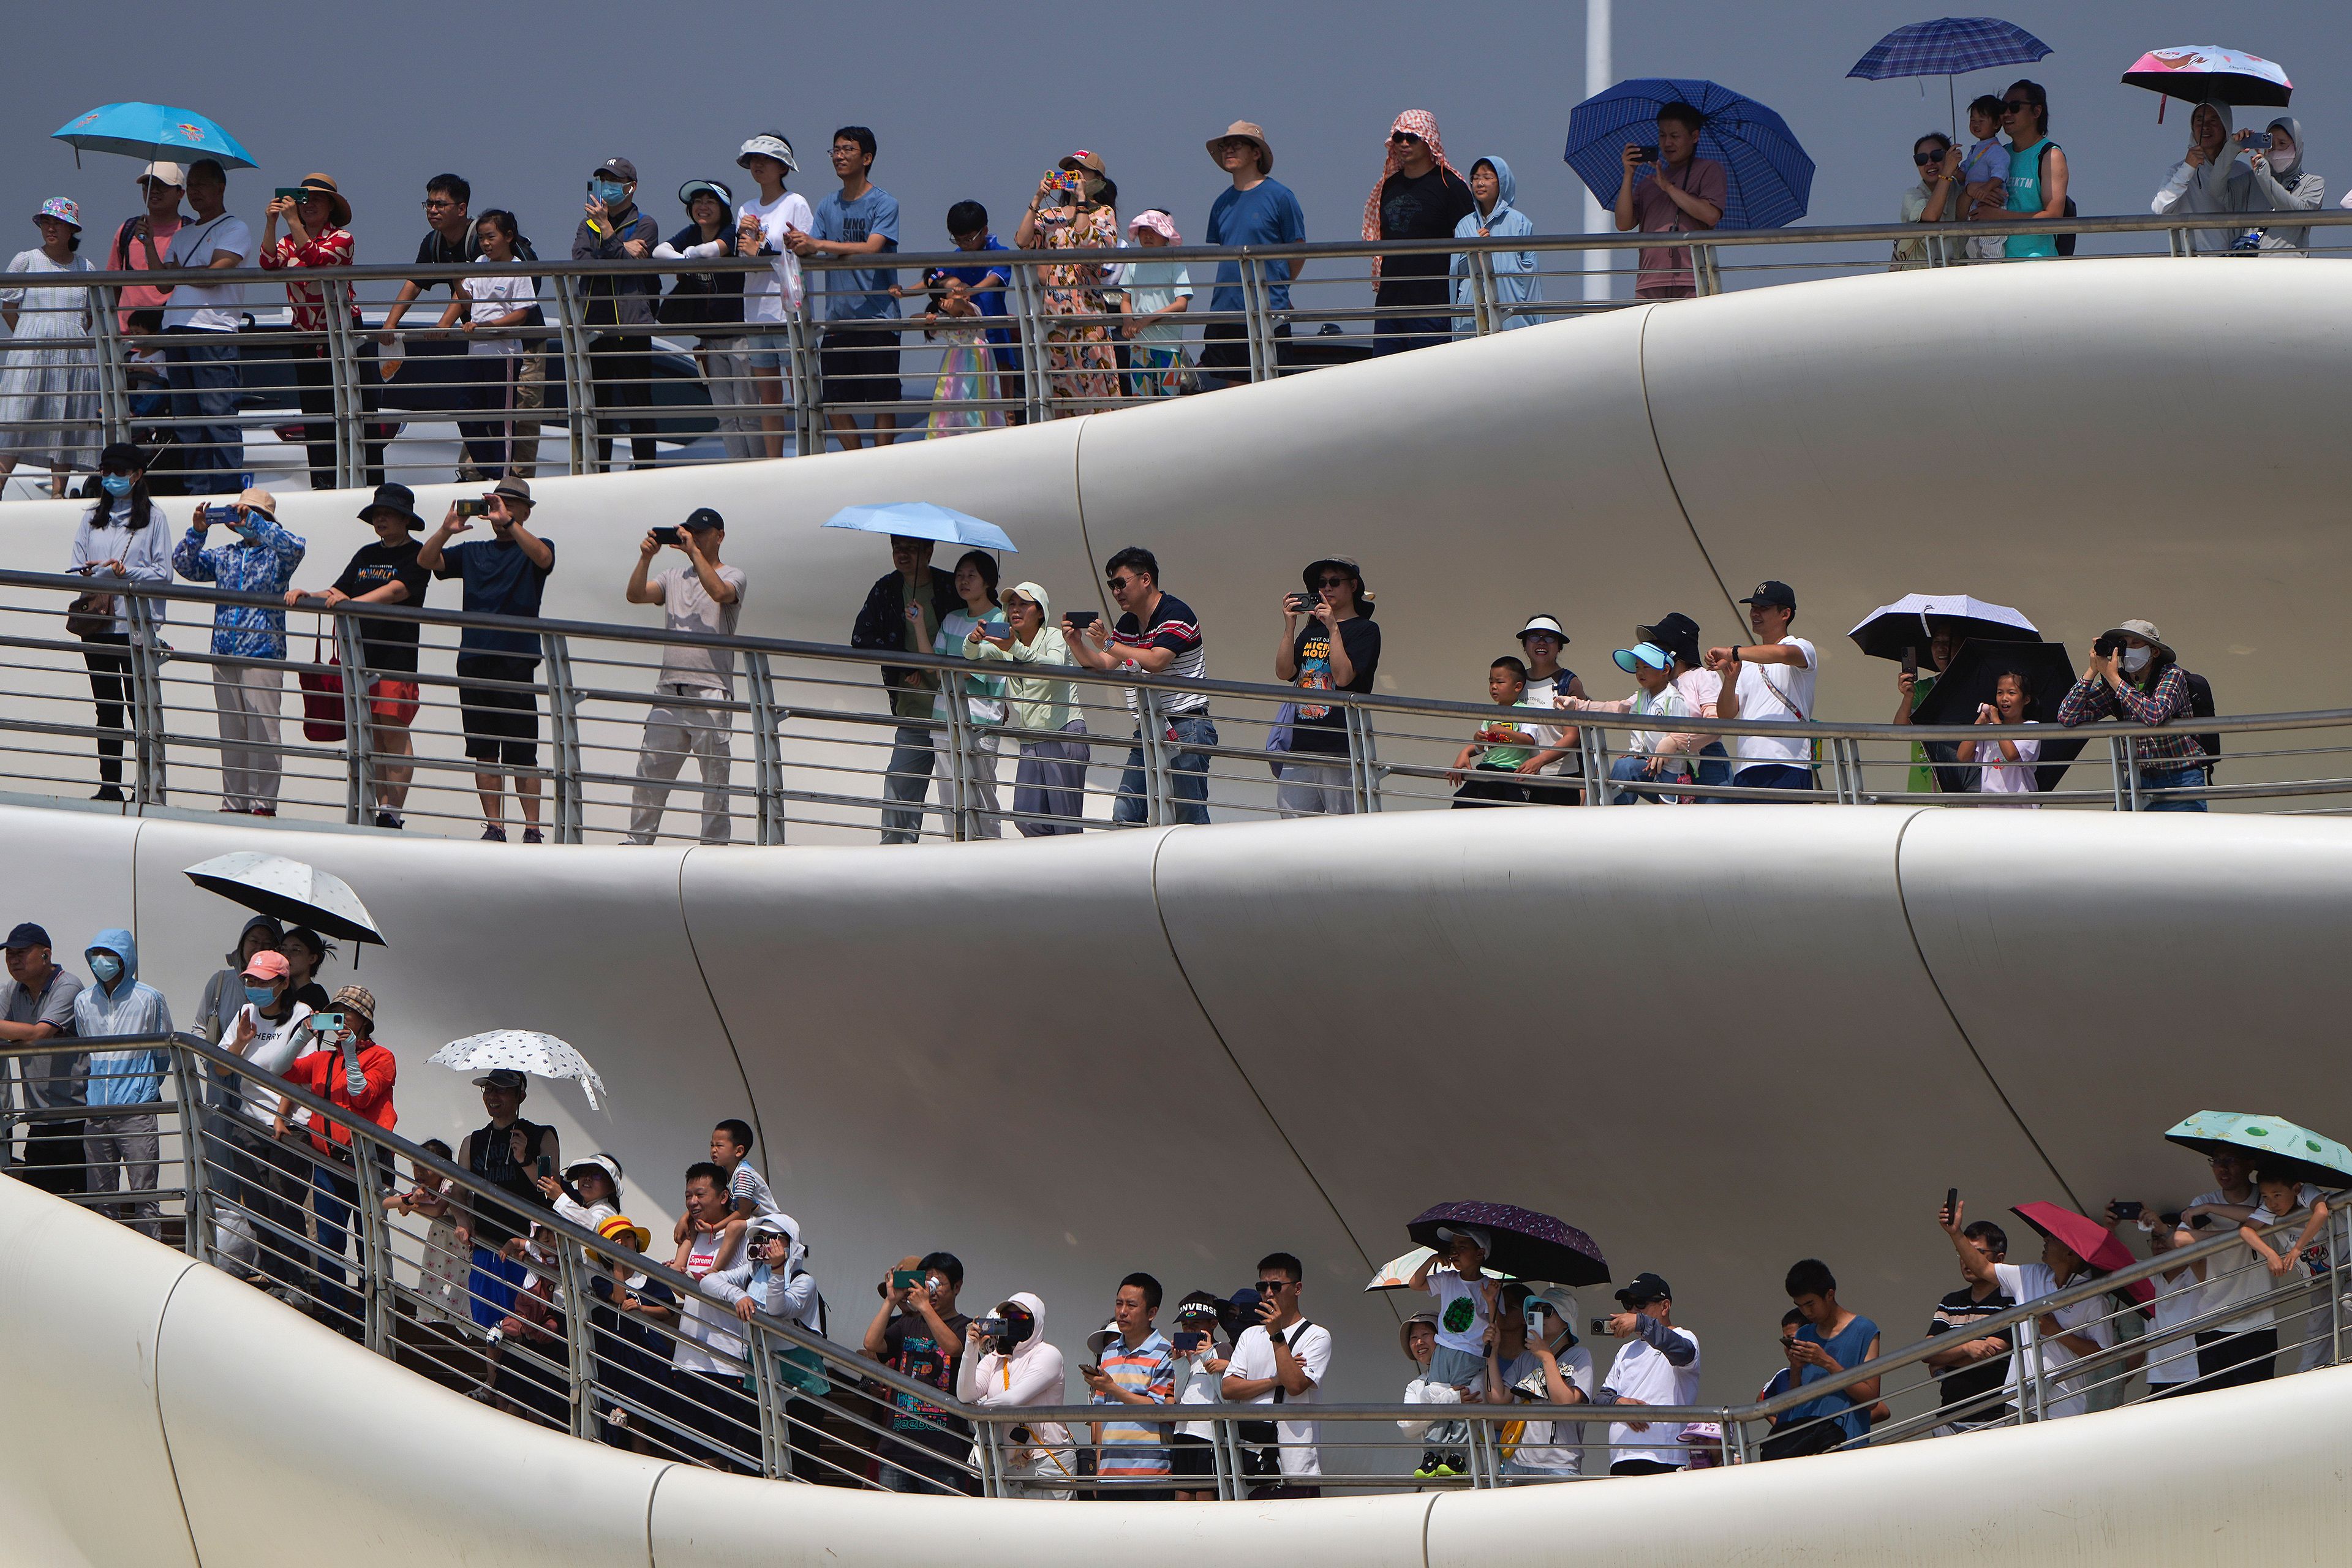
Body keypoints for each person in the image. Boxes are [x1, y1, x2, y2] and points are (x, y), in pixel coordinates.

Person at [420, 481, 557, 841]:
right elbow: (426, 561)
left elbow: (545, 559)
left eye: (512, 505)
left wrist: (510, 523)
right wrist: (445, 530)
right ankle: (495, 825)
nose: (502, 510)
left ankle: (532, 829)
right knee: (483, 751)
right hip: (475, 658)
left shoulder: (535, 548)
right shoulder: (474, 550)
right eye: (498, 504)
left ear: (526, 512)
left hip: (515, 660)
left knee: (523, 751)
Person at [298, 482, 430, 829]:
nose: (380, 520)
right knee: (371, 736)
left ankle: (392, 812)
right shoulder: (366, 554)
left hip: (396, 660)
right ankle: (379, 810)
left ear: (405, 519)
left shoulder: (417, 555)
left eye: (387, 514)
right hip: (361, 660)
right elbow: (339, 590)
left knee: (393, 735)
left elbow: (396, 592)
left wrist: (351, 603)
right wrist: (307, 594)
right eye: (377, 515)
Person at [172, 489, 305, 815]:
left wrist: (256, 523)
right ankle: (234, 803)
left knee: (263, 733)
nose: (241, 519)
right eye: (239, 513)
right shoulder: (226, 554)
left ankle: (263, 804)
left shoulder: (277, 555)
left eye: (248, 513)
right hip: (223, 653)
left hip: (263, 653)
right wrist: (198, 531)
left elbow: (296, 547)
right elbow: (184, 565)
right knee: (231, 734)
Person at [1064, 546, 1215, 826]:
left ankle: (1199, 870)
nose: (1116, 591)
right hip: (1148, 730)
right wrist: (1076, 643)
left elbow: (1156, 660)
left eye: (1121, 583)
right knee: (1125, 813)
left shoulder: (1177, 613)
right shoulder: (1129, 623)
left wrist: (1110, 644)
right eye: (1112, 585)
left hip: (1186, 726)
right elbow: (1102, 663)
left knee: (1187, 816)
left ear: (1145, 579)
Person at [275, 984, 395, 1330]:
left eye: (347, 1011)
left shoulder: (383, 1057)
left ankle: (371, 1316)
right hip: (328, 1162)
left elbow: (362, 1097)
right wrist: (301, 1036)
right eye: (335, 1010)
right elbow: (281, 1070)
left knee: (369, 1244)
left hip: (369, 1164)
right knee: (329, 1241)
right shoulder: (322, 1059)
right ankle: (335, 1314)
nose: (340, 1015)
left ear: (364, 1021)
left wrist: (351, 1052)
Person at [622, 508, 745, 846]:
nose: (695, 538)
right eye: (690, 532)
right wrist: (645, 559)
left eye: (702, 533)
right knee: (649, 774)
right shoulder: (673, 575)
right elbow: (635, 594)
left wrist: (694, 552)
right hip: (668, 691)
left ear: (719, 536)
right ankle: (638, 842)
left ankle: (714, 847)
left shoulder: (734, 574)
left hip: (711, 689)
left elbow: (721, 593)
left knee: (715, 781)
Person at [1937, 1199, 2110, 1420]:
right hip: (2018, 1399)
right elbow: (1983, 1267)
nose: (2046, 1239)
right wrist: (1955, 1233)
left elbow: (2102, 1354)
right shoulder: (2031, 1275)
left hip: (2064, 1403)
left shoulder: (2093, 1298)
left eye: (2054, 1237)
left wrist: (2055, 1331)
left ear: (2071, 1252)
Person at [259, 172, 380, 489]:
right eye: (304, 199)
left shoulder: (343, 238)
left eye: (318, 199)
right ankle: (323, 483)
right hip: (306, 338)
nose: (310, 204)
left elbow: (316, 259)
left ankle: (369, 484)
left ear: (331, 207)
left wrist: (293, 224)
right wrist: (272, 223)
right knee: (316, 415)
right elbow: (268, 262)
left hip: (344, 336)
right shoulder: (287, 241)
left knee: (359, 411)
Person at [69, 443, 173, 802]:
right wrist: (94, 571)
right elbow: (74, 566)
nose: (111, 478)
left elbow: (163, 573)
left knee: (140, 707)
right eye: (106, 471)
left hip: (135, 626)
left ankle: (148, 787)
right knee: (107, 708)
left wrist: (128, 572)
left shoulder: (154, 518)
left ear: (137, 475)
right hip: (97, 625)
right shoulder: (90, 517)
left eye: (119, 472)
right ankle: (109, 786)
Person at [788, 127, 903, 451]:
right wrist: (799, 244)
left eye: (847, 149)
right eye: (835, 150)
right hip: (838, 320)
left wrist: (819, 244)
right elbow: (811, 247)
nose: (839, 155)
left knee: (884, 402)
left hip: (878, 318)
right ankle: (857, 463)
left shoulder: (885, 203)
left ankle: (882, 466)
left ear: (867, 158)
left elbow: (873, 247)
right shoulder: (827, 204)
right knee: (835, 403)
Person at [142, 159, 248, 492]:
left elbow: (217, 274)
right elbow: (162, 285)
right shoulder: (184, 233)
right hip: (176, 328)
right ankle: (198, 490)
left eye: (202, 184)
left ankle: (229, 489)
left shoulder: (235, 228)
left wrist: (182, 273)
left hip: (213, 329)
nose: (195, 192)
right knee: (189, 418)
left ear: (221, 187)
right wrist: (148, 244)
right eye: (191, 186)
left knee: (217, 413)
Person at [848, 535, 959, 843]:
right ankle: (895, 857)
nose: (902, 554)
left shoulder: (951, 588)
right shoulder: (887, 589)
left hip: (954, 712)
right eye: (897, 548)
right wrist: (903, 665)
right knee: (898, 787)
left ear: (929, 551)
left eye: (911, 548)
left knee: (959, 794)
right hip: (914, 712)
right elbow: (861, 638)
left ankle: (970, 855)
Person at [709, 1209, 829, 1480]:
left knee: (800, 1460)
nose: (766, 1246)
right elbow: (709, 1280)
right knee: (748, 1455)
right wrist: (737, 1295)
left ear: (791, 1244)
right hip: (761, 1376)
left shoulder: (804, 1281)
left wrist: (777, 1271)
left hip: (801, 1383)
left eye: (774, 1239)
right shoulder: (752, 1272)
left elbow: (778, 1310)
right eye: (761, 1239)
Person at [967, 581, 1087, 835]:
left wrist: (1014, 648)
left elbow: (1053, 665)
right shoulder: (1009, 644)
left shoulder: (1054, 636)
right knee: (1025, 818)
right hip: (1030, 739)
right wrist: (973, 639)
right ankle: (1051, 869)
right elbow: (971, 656)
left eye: (1024, 604)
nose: (1016, 610)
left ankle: (1069, 873)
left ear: (1041, 611)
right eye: (1012, 604)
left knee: (1065, 823)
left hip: (1062, 733)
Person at [72, 928, 170, 1240]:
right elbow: (86, 1049)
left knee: (144, 1191)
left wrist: (144, 1087)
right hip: (97, 1109)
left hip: (136, 1108)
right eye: (96, 954)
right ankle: (106, 1257)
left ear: (126, 959)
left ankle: (151, 1255)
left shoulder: (149, 998)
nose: (102, 961)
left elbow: (163, 1051)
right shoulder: (84, 1001)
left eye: (111, 955)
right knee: (100, 1194)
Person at [0, 198, 99, 496]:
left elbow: (89, 314)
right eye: (46, 222)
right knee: (17, 416)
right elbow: (8, 304)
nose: (51, 228)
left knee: (65, 418)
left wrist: (68, 334)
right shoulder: (27, 259)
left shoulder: (86, 267)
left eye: (57, 222)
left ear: (72, 229)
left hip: (72, 352)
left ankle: (58, 492)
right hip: (32, 350)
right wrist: (29, 337)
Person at [2056, 619, 2206, 812]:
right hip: (2138, 779)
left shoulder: (2170, 674)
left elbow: (2155, 714)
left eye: (2136, 643)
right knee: (2122, 841)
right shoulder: (2117, 682)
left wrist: (2113, 678)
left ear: (2154, 651)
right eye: (2125, 644)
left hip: (2180, 778)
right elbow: (2067, 716)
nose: (2129, 649)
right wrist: (2093, 670)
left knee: (2181, 841)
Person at [654, 177, 753, 462]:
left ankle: (757, 469)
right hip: (709, 340)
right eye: (697, 201)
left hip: (740, 337)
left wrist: (686, 258)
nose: (703, 207)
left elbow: (712, 251)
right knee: (725, 418)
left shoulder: (733, 232)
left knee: (748, 415)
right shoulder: (690, 233)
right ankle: (738, 468)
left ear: (724, 207)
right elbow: (659, 252)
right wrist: (686, 258)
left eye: (710, 201)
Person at [571, 156, 662, 472]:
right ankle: (600, 471)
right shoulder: (588, 224)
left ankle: (645, 470)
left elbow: (627, 266)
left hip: (632, 327)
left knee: (639, 402)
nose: (605, 188)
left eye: (612, 182)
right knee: (600, 406)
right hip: (596, 327)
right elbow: (582, 261)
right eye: (602, 181)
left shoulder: (646, 224)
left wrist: (609, 236)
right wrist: (620, 247)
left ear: (630, 188)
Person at [377, 173, 480, 447]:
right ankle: (478, 472)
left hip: (510, 333)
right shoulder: (434, 242)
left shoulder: (481, 239)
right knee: (473, 407)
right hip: (476, 336)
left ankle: (507, 479)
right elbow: (415, 282)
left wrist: (444, 325)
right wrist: (390, 324)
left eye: (440, 204)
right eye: (429, 204)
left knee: (504, 409)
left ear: (462, 208)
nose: (433, 210)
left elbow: (469, 289)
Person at [452, 1069, 558, 1333]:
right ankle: (491, 1376)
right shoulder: (473, 1141)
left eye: (501, 1090)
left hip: (527, 1250)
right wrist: (463, 1219)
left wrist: (524, 1159)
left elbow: (551, 1188)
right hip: (487, 1247)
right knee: (486, 1326)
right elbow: (458, 1191)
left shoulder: (541, 1136)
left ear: (520, 1095)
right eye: (488, 1090)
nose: (492, 1096)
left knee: (524, 1326)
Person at [1273, 555, 1380, 816]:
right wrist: (1290, 626)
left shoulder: (1366, 630)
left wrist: (1333, 628)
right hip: (1300, 745)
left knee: (1344, 830)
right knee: (1291, 826)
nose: (1327, 589)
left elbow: (1344, 678)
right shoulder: (1310, 631)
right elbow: (1284, 671)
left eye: (1334, 582)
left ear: (1353, 586)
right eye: (1321, 584)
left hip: (1341, 748)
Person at [1200, 123, 1306, 387]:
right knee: (1234, 396)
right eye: (1225, 146)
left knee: (1272, 393)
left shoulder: (1281, 197)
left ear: (1256, 153)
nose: (1228, 150)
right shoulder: (1221, 203)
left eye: (1237, 145)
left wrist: (1277, 288)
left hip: (1267, 311)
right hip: (1225, 311)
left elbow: (1298, 251)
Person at [1016, 151, 1121, 415]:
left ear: (1097, 179)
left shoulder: (1104, 213)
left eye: (1081, 172)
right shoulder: (1049, 214)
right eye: (1070, 171)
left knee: (1097, 389)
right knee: (1061, 392)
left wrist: (1083, 201)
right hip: (1055, 317)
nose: (1074, 177)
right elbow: (1022, 241)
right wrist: (1037, 199)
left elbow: (1088, 245)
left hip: (1089, 316)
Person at [864, 1252, 977, 1495]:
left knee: (940, 1528)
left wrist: (925, 1308)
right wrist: (890, 1301)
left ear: (957, 1287)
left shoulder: (964, 1326)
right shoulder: (907, 1323)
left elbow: (954, 1348)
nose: (932, 1292)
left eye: (939, 1285)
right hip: (897, 1446)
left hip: (944, 1451)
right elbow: (872, 1344)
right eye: (928, 1284)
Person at [437, 210, 537, 480]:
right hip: (477, 352)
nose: (486, 244)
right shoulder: (479, 264)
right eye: (482, 238)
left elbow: (521, 314)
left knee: (499, 418)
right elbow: (467, 302)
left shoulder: (517, 269)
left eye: (491, 237)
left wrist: (487, 327)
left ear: (508, 237)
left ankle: (500, 474)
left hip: (503, 354)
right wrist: (456, 278)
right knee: (467, 411)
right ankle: (488, 468)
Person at [1223, 1252, 1332, 1499]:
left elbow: (1295, 1385)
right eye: (1262, 1287)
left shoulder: (1317, 1335)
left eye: (1276, 1286)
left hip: (1297, 1464)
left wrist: (1277, 1336)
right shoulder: (1250, 1335)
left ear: (1297, 1288)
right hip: (1252, 1461)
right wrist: (1274, 1381)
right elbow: (1229, 1387)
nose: (1268, 1293)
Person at [733, 134, 815, 459]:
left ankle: (807, 454)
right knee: (768, 394)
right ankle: (774, 460)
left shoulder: (795, 203)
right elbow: (744, 257)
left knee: (799, 388)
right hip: (756, 310)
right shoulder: (746, 209)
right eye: (753, 159)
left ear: (783, 166)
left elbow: (802, 250)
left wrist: (761, 247)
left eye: (765, 159)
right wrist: (749, 243)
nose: (758, 165)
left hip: (788, 310)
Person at [670, 1161, 757, 1469]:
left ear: (723, 1197)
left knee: (734, 1454)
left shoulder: (743, 1234)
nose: (693, 1202)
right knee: (697, 1454)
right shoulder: (693, 1233)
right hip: (688, 1356)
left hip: (727, 1360)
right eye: (688, 1196)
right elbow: (680, 1292)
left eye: (700, 1195)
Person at [2173, 1150, 2283, 1389]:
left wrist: (2213, 1212)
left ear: (2250, 1164)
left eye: (2231, 1160)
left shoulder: (2264, 1196)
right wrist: (2243, 1235)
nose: (2222, 1169)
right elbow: (2181, 1239)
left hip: (2257, 1322)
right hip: (2211, 1320)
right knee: (2216, 1406)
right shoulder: (2201, 1201)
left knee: (2254, 1402)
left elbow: (2267, 1214)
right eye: (2217, 1162)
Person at [1365, 112, 1472, 355]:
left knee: (1431, 383)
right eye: (1399, 137)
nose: (1404, 144)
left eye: (1412, 138)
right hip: (1390, 306)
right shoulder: (1389, 186)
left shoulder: (1450, 186)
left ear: (1428, 140)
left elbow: (1469, 242)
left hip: (1433, 306)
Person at [1703, 580, 1817, 796]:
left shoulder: (1802, 646)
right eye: (1753, 608)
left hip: (1789, 764)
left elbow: (1784, 655)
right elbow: (1726, 715)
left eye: (1763, 608)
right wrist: (1729, 680)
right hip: (1746, 767)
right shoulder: (1745, 660)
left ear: (1785, 614)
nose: (1755, 614)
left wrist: (1734, 652)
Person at [958, 1292, 1075, 1498]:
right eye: (1007, 1318)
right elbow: (965, 1394)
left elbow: (1014, 1399)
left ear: (1035, 1322)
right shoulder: (995, 1359)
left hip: (1047, 1460)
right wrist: (971, 1347)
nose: (1012, 1323)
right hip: (1010, 1463)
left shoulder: (1048, 1354)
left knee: (1050, 1529)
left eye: (1020, 1318)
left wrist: (978, 1411)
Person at [1585, 1272, 1702, 1475]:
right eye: (1628, 1305)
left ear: (1665, 1307)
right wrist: (1620, 1404)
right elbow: (1602, 1399)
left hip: (1665, 1457)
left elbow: (1683, 1353)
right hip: (1621, 1458)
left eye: (1640, 1304)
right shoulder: (1625, 1350)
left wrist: (1642, 1323)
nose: (1632, 1311)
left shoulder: (1685, 1337)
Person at [1558, 641, 1704, 803]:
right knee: (1624, 766)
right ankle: (1610, 815)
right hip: (1647, 762)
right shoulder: (1641, 697)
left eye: (1646, 667)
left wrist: (1666, 753)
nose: (1640, 672)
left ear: (1665, 670)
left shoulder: (1674, 698)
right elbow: (1636, 729)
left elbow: (1681, 733)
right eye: (1637, 668)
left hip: (1672, 767)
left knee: (1668, 810)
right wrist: (1636, 750)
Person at [926, 550, 1009, 837]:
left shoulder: (1000, 619)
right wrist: (917, 623)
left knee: (982, 795)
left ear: (988, 581)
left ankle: (989, 852)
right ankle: (955, 849)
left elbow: (985, 669)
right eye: (960, 575)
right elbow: (936, 667)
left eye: (971, 575)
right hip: (944, 719)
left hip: (980, 723)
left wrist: (952, 668)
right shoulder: (951, 619)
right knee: (949, 795)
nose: (964, 581)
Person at [1764, 1259, 1882, 1460]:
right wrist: (1796, 1368)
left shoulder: (1864, 1330)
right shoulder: (1804, 1334)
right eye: (1800, 1306)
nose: (1806, 1313)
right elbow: (1794, 1400)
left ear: (1830, 1294)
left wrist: (1827, 1362)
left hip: (1845, 1444)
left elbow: (1871, 1398)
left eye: (1810, 1304)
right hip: (1804, 1445)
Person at [581, 1213, 679, 1450]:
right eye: (615, 1239)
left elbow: (667, 1309)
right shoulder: (600, 1279)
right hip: (618, 1351)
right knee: (625, 1414)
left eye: (628, 1237)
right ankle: (623, 1415)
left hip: (646, 1350)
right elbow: (618, 1298)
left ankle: (627, 1414)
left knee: (648, 1401)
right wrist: (617, 1264)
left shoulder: (647, 1275)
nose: (623, 1243)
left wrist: (642, 1308)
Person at [1, 923, 85, 1194]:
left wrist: (17, 1033)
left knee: (83, 1206)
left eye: (22, 952)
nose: (13, 960)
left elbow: (40, 1033)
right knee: (40, 1208)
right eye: (9, 953)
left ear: (46, 955)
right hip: (38, 1119)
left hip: (76, 1118)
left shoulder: (68, 985)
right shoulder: (14, 990)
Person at [1613, 104, 1726, 300]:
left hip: (1693, 278)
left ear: (1695, 137)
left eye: (1675, 136)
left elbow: (1711, 215)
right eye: (1662, 135)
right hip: (1649, 279)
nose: (1667, 143)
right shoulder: (1648, 183)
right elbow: (1623, 223)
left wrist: (1669, 188)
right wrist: (1628, 175)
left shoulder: (1709, 170)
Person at [1082, 1272, 1177, 1497]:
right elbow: (1101, 1417)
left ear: (1152, 1313)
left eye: (1131, 1305)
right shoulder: (1108, 1352)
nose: (1122, 1311)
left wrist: (1112, 1388)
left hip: (1151, 1475)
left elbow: (1160, 1411)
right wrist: (1099, 1472)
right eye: (1119, 1303)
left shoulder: (1166, 1352)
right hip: (1109, 1474)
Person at [1923, 1216, 2016, 1433]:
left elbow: (1989, 1355)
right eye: (1962, 1252)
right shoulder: (1951, 1302)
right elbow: (1927, 1351)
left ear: (1999, 1259)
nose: (1966, 1259)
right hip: (1948, 1417)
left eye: (1976, 1252)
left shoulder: (2011, 1301)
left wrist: (1943, 1365)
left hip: (1993, 1418)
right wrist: (1966, 1348)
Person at [935, 201, 1022, 419]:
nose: (964, 244)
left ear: (984, 231)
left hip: (996, 336)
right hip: (968, 345)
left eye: (969, 239)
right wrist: (906, 291)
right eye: (958, 239)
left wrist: (970, 291)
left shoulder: (999, 252)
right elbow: (935, 279)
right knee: (969, 403)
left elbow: (995, 278)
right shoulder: (955, 258)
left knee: (1005, 406)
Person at [1507, 1290, 1594, 1479]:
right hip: (1517, 1462)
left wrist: (1547, 1357)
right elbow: (1497, 1398)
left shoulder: (1580, 1355)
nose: (1539, 1314)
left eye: (1547, 1310)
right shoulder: (1525, 1358)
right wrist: (1490, 1351)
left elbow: (1565, 1402)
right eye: (1535, 1310)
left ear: (1566, 1320)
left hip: (1559, 1463)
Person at [2150, 102, 2258, 255]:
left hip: (2237, 263)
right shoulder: (2177, 171)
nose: (2205, 126)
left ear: (2226, 126)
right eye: (2199, 120)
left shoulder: (2242, 171)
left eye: (2213, 120)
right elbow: (2159, 209)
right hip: (2196, 265)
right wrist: (2188, 168)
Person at [1450, 156, 1540, 333]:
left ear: (1502, 182)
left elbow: (1531, 275)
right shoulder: (1464, 225)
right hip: (1471, 312)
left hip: (1511, 310)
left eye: (1487, 177)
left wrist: (1493, 255)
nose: (1480, 183)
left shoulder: (1520, 223)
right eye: (1475, 178)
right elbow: (1456, 273)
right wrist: (1475, 252)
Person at [389, 1138, 469, 1330]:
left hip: (458, 1242)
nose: (419, 1172)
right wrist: (409, 1204)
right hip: (442, 1243)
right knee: (439, 1280)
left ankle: (460, 1323)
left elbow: (437, 1210)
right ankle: (441, 1319)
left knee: (461, 1283)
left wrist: (410, 1206)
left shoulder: (450, 1184)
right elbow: (403, 1208)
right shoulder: (424, 1189)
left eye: (426, 1167)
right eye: (416, 1165)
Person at [914, 270, 1002, 436]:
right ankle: (948, 434)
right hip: (954, 364)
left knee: (973, 398)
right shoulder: (943, 319)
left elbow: (965, 307)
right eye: (955, 290)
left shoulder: (973, 309)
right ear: (943, 301)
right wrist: (927, 317)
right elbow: (913, 319)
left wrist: (957, 300)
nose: (961, 291)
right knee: (951, 398)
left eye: (961, 287)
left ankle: (974, 433)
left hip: (976, 361)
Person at [1447, 657, 1542, 807]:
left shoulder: (1524, 711)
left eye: (1500, 682)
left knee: (1509, 809)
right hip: (1487, 768)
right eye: (1491, 682)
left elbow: (1529, 740)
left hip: (1511, 771)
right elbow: (1481, 746)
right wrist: (1472, 745)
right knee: (1462, 801)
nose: (1494, 687)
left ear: (1518, 687)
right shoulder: (1491, 714)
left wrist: (1504, 731)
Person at [1118, 210, 1194, 398]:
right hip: (1139, 344)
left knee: (1169, 399)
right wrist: (1128, 321)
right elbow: (1125, 299)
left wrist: (1146, 320)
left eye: (1154, 230)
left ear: (1166, 235)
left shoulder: (1175, 263)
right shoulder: (1133, 263)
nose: (1147, 235)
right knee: (1140, 398)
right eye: (1143, 230)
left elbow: (1181, 303)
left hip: (1168, 344)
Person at [1513, 616, 1588, 804]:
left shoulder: (1568, 683)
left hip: (1559, 778)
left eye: (1549, 638)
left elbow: (1573, 737)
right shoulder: (1516, 680)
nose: (1541, 643)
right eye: (1534, 637)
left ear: (1559, 646)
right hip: (1518, 774)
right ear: (1525, 645)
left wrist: (1539, 761)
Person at [110, 164, 186, 339]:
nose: (154, 191)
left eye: (163, 186)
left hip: (173, 334)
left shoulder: (189, 231)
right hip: (129, 336)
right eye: (148, 185)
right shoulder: (127, 230)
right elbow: (113, 282)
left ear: (180, 193)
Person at [1169, 1291, 1232, 1501]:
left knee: (1206, 1492)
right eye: (1186, 1326)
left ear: (1213, 1324)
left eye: (1196, 1325)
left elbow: (1225, 1395)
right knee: (1183, 1493)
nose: (1190, 1330)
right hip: (1182, 1432)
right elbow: (1179, 1397)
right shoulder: (1189, 1356)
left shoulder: (1223, 1349)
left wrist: (1208, 1355)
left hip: (1208, 1435)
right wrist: (1179, 1363)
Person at [1999, 81, 2070, 262]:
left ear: (2036, 112)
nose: (2006, 113)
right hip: (1997, 263)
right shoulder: (2001, 154)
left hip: (2037, 264)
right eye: (2002, 107)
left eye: (2014, 107)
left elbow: (2053, 216)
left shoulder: (2050, 155)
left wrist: (1998, 218)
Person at [194, 914, 284, 1045]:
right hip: (222, 1063)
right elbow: (200, 1028)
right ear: (242, 944)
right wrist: (211, 1062)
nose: (259, 948)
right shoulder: (220, 981)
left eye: (268, 944)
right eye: (254, 941)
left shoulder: (283, 988)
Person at [1957, 672, 2041, 803]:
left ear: (2026, 699)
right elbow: (1962, 756)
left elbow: (2011, 755)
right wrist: (1979, 724)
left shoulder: (2031, 727)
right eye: (2000, 693)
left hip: (2020, 804)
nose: (2004, 698)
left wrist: (1996, 721)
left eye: (2012, 693)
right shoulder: (1990, 728)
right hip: (1990, 803)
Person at [2245, 118, 2325, 252]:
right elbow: (2216, 190)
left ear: (2297, 147)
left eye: (2282, 143)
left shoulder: (2314, 182)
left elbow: (2300, 212)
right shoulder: (2253, 179)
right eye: (2270, 144)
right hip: (2249, 265)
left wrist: (2265, 178)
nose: (2275, 150)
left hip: (2287, 268)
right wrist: (2231, 149)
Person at [1894, 134, 1961, 270]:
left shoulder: (1961, 190)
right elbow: (1931, 216)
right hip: (1917, 278)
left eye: (1937, 156)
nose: (1929, 163)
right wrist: (1947, 172)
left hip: (1958, 277)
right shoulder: (1912, 195)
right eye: (1921, 159)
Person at [277, 927, 336, 1013]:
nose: (286, 955)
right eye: (283, 949)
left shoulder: (315, 996)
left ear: (312, 958)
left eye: (295, 950)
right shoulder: (278, 990)